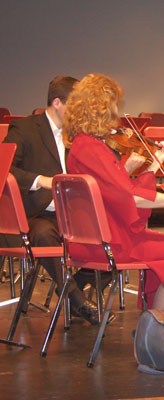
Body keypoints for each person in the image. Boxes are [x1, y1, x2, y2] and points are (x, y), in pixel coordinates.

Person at [62, 73, 164, 319]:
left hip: (99, 238)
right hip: (109, 242)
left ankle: (159, 329)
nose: (116, 112)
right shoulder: (93, 149)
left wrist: (154, 165)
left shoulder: (85, 145)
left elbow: (121, 191)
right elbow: (129, 199)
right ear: (101, 107)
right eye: (114, 105)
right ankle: (158, 333)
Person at [1, 75, 109, 325]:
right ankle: (78, 301)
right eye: (77, 105)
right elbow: (5, 169)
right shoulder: (26, 129)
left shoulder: (79, 135)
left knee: (111, 243)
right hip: (37, 214)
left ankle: (70, 291)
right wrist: (41, 179)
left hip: (72, 214)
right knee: (43, 235)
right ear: (58, 103)